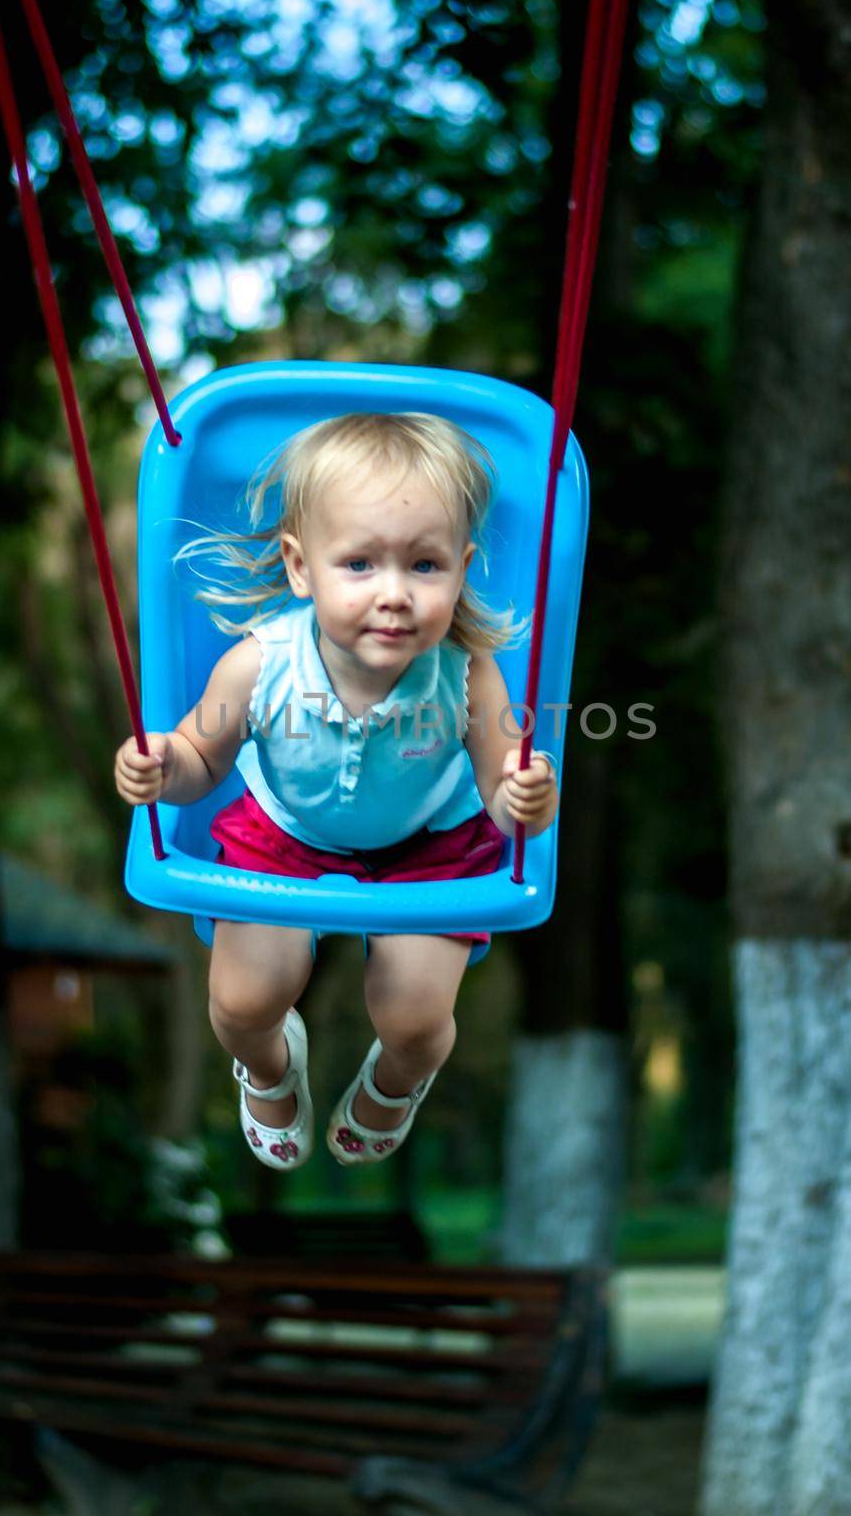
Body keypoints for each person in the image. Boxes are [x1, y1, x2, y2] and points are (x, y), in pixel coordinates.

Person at [114, 412, 558, 1170]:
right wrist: (161, 767)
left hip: (431, 842)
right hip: (284, 832)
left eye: (425, 566)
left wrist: (521, 796)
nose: (394, 594)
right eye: (359, 564)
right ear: (299, 567)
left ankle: (397, 1080)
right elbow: (201, 755)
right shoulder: (258, 666)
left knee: (415, 1020)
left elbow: (497, 780)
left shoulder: (466, 675)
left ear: (463, 565)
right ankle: (267, 1065)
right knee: (243, 1005)